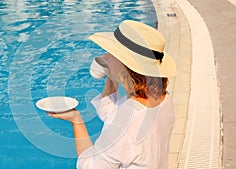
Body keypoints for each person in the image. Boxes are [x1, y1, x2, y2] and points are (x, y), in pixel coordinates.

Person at [47, 20, 177, 169]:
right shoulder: (163, 98)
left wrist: (77, 122)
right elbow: (111, 113)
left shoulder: (123, 125)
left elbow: (89, 165)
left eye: (112, 53)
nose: (106, 56)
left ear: (125, 64)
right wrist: (112, 74)